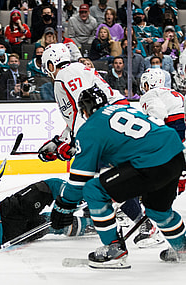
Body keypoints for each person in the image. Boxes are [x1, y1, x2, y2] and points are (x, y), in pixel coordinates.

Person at [48, 85, 186, 267]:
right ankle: (182, 249)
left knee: (94, 190)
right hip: (176, 155)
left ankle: (114, 251)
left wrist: (63, 206)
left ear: (85, 110)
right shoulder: (124, 108)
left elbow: (80, 179)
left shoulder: (90, 127)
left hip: (150, 163)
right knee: (158, 210)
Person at [39, 43, 158, 247]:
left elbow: (89, 109)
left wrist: (73, 143)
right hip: (115, 122)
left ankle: (139, 225)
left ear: (51, 63)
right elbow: (80, 114)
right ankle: (117, 220)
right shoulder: (76, 70)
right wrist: (61, 141)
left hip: (108, 126)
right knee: (105, 178)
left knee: (102, 179)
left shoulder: (64, 76)